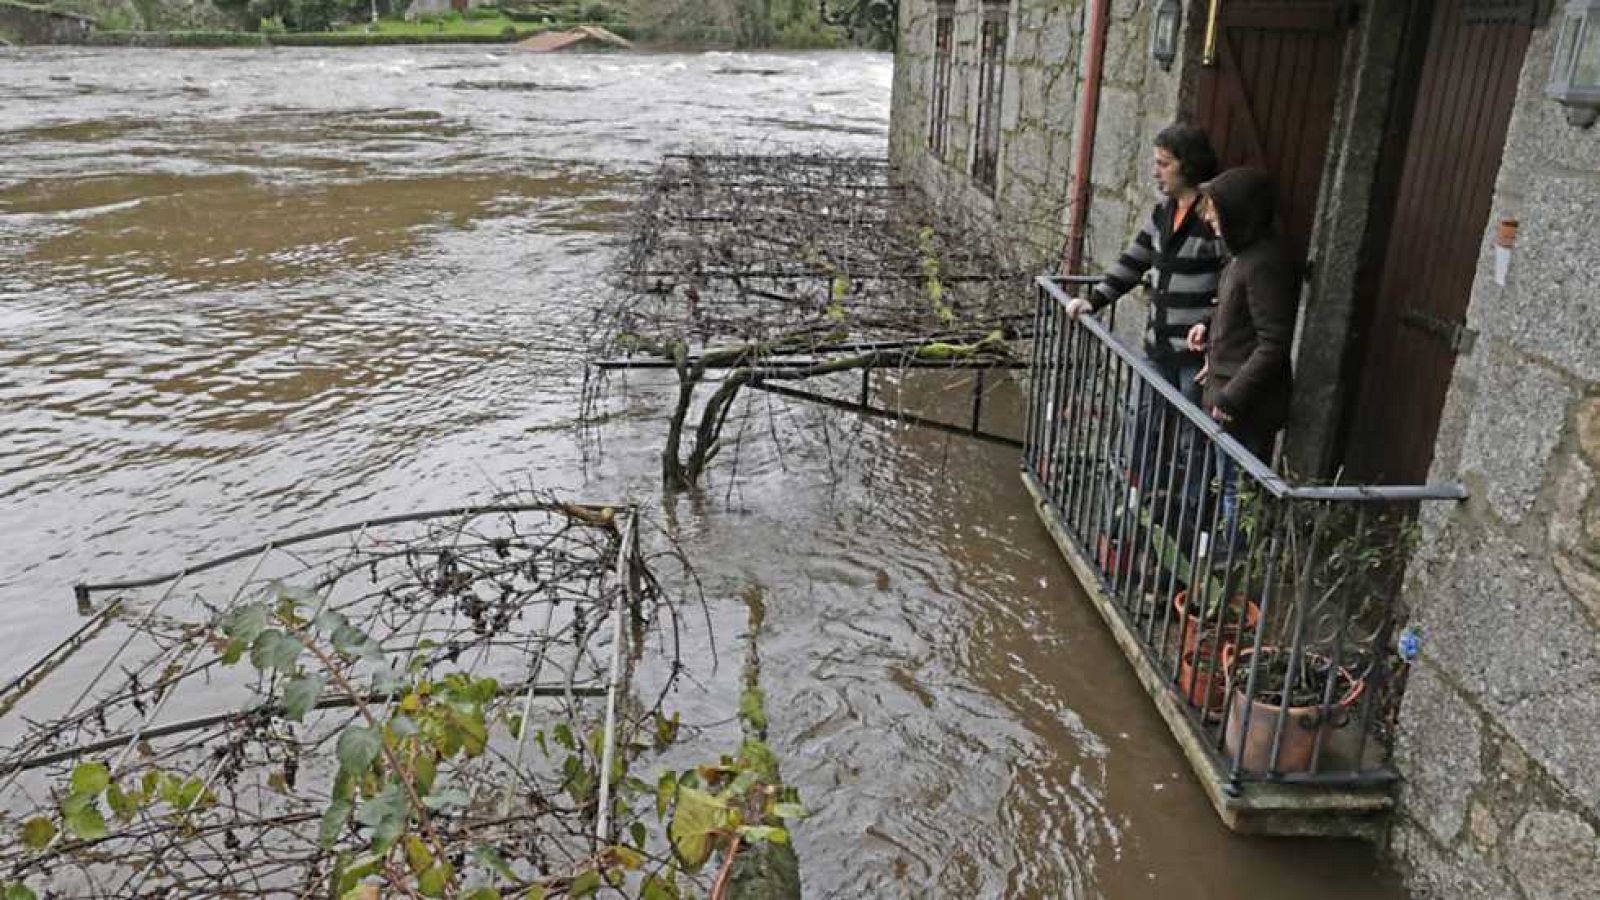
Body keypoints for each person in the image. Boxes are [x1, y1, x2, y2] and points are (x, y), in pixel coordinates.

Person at [1066, 123, 1223, 498]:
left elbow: (1231, 284)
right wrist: (1094, 300)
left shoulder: (1212, 219)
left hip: (1195, 353)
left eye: (1164, 164)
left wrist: (1211, 327)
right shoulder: (1162, 214)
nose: (1156, 172)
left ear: (1188, 165)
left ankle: (1189, 511)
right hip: (1158, 345)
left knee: (1193, 436)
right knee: (1140, 419)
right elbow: (1133, 262)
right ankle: (1135, 494)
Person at [1191, 167, 1299, 554]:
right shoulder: (1243, 258)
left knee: (1237, 491)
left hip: (1247, 407)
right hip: (1229, 395)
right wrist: (1207, 328)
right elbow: (1235, 310)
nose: (1208, 217)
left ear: (1239, 212)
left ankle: (1234, 563)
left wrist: (1231, 396)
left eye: (1215, 209)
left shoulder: (1264, 263)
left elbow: (1273, 342)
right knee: (1227, 483)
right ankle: (1225, 554)